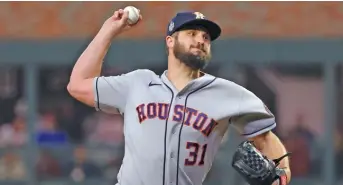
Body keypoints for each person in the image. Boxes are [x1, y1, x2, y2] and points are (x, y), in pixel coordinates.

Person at [67, 8, 291, 185]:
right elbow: (77, 85)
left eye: (205, 37)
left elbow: (265, 138)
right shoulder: (138, 83)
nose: (201, 40)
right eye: (192, 33)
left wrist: (283, 174)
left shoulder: (228, 94)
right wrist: (108, 30)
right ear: (170, 41)